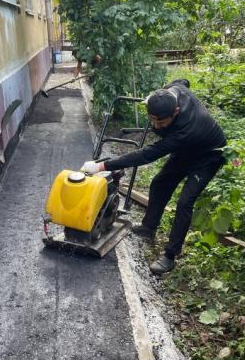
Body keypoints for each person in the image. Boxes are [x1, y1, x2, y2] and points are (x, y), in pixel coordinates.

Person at [81, 79, 226, 274]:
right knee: (159, 184)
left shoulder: (186, 130)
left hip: (208, 155)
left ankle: (169, 256)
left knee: (184, 202)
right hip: (186, 150)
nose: (156, 126)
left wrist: (101, 165)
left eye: (161, 122)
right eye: (153, 120)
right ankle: (149, 227)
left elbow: (147, 154)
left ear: (175, 112)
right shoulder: (173, 91)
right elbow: (183, 81)